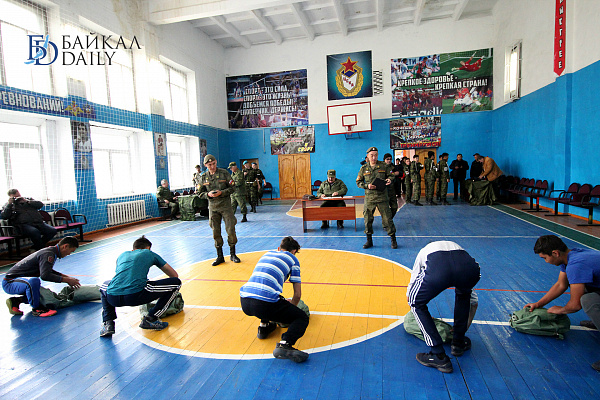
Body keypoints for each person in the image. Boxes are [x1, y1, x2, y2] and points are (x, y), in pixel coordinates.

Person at [524, 235, 600, 371]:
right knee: (582, 285)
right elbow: (560, 284)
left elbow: (576, 305)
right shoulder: (571, 256)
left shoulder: (576, 265)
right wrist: (539, 304)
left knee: (587, 300)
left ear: (555, 253)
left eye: (545, 258)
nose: (546, 262)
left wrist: (561, 309)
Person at [407, 241, 481, 373]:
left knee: (415, 302)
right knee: (464, 294)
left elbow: (413, 284)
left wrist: (415, 303)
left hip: (439, 269)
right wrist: (462, 331)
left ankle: (437, 354)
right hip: (471, 270)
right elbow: (473, 301)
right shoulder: (458, 248)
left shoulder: (424, 252)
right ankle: (458, 343)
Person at [240, 236, 309, 363]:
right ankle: (285, 344)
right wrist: (292, 307)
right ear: (294, 251)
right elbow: (297, 295)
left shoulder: (267, 254)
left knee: (270, 296)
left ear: (279, 248)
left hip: (244, 300)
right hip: (264, 304)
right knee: (301, 317)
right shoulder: (293, 259)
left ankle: (264, 327)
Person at [99, 235, 182, 337]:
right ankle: (151, 318)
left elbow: (123, 277)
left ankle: (108, 323)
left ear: (133, 249)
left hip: (113, 298)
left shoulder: (122, 255)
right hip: (136, 295)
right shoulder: (149, 253)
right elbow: (173, 275)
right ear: (148, 248)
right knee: (176, 282)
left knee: (104, 285)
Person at [3, 236, 80, 317]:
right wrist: (67, 280)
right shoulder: (48, 254)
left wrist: (67, 277)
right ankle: (37, 309)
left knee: (44, 296)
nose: (68, 254)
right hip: (11, 282)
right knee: (33, 281)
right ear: (65, 246)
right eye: (70, 251)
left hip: (21, 281)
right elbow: (45, 275)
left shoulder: (51, 252)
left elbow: (47, 270)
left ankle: (15, 301)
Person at [198, 154, 240, 266]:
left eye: (213, 164)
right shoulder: (203, 177)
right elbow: (199, 193)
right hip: (213, 208)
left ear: (216, 162)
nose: (212, 166)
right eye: (209, 165)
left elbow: (233, 187)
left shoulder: (224, 173)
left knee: (230, 229)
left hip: (225, 206)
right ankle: (220, 256)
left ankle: (233, 254)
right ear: (205, 165)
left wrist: (222, 192)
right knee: (215, 232)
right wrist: (208, 194)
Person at [356, 147, 397, 249]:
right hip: (370, 199)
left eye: (376, 155)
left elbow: (392, 175)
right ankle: (369, 240)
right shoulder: (364, 168)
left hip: (382, 197)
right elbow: (358, 182)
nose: (374, 157)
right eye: (372, 155)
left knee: (388, 219)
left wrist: (389, 179)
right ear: (368, 156)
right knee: (368, 219)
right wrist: (367, 186)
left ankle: (393, 239)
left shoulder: (384, 166)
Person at [383, 154, 399, 218]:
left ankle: (389, 219)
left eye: (390, 159)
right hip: (384, 191)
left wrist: (394, 173)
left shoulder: (393, 166)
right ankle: (387, 222)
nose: (389, 161)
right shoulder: (381, 167)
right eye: (387, 159)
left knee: (394, 207)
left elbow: (399, 172)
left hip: (392, 190)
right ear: (384, 160)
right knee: (385, 209)